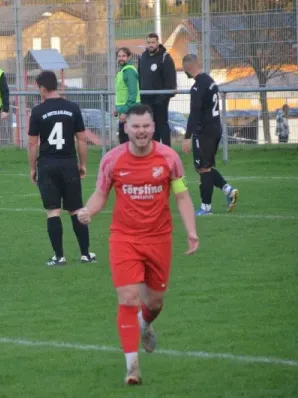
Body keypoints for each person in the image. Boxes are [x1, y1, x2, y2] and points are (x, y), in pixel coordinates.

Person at [77, 104, 199, 385]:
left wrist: (191, 231)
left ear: (153, 127)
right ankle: (132, 366)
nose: (141, 131)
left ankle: (144, 324)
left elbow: (181, 196)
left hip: (159, 239)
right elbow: (100, 193)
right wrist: (88, 211)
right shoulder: (112, 160)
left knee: (154, 303)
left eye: (146, 126)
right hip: (124, 239)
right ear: (126, 128)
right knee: (128, 298)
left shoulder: (168, 158)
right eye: (136, 126)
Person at [28, 70, 96, 266]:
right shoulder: (72, 108)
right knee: (75, 210)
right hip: (68, 164)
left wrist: (32, 168)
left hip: (47, 165)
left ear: (41, 88)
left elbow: (33, 144)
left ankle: (59, 257)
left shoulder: (38, 111)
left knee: (53, 211)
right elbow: (81, 139)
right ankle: (85, 254)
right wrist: (82, 164)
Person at [181, 54, 239, 215]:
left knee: (203, 169)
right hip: (215, 129)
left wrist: (187, 137)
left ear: (187, 69)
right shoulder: (209, 81)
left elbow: (194, 114)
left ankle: (206, 208)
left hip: (204, 133)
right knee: (204, 167)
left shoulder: (197, 87)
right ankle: (228, 190)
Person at [138, 33, 177, 146]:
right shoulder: (142, 57)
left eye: (153, 42)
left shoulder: (165, 58)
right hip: (146, 100)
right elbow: (140, 78)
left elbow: (170, 82)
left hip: (161, 99)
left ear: (158, 43)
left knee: (162, 125)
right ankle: (152, 150)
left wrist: (162, 98)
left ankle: (166, 151)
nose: (150, 45)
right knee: (149, 126)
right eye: (148, 42)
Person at [114, 47, 140, 144]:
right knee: (124, 142)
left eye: (124, 56)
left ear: (129, 57)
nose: (121, 58)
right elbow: (122, 94)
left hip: (130, 112)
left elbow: (132, 94)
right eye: (119, 56)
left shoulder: (129, 71)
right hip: (125, 112)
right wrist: (118, 109)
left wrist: (125, 112)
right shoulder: (122, 71)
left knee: (128, 143)